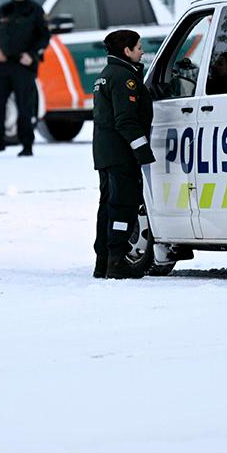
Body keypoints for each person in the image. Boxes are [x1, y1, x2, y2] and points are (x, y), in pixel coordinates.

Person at [91, 29, 155, 279]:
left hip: (106, 153)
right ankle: (117, 261)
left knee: (107, 206)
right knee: (122, 206)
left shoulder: (106, 74)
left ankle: (103, 261)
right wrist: (142, 151)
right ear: (126, 51)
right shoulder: (123, 78)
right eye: (138, 47)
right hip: (121, 154)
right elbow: (126, 120)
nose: (142, 51)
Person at [0, 0, 50, 157]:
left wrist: (32, 55)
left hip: (24, 65)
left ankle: (27, 144)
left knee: (24, 106)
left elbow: (44, 37)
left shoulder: (34, 10)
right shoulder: (4, 9)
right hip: (4, 65)